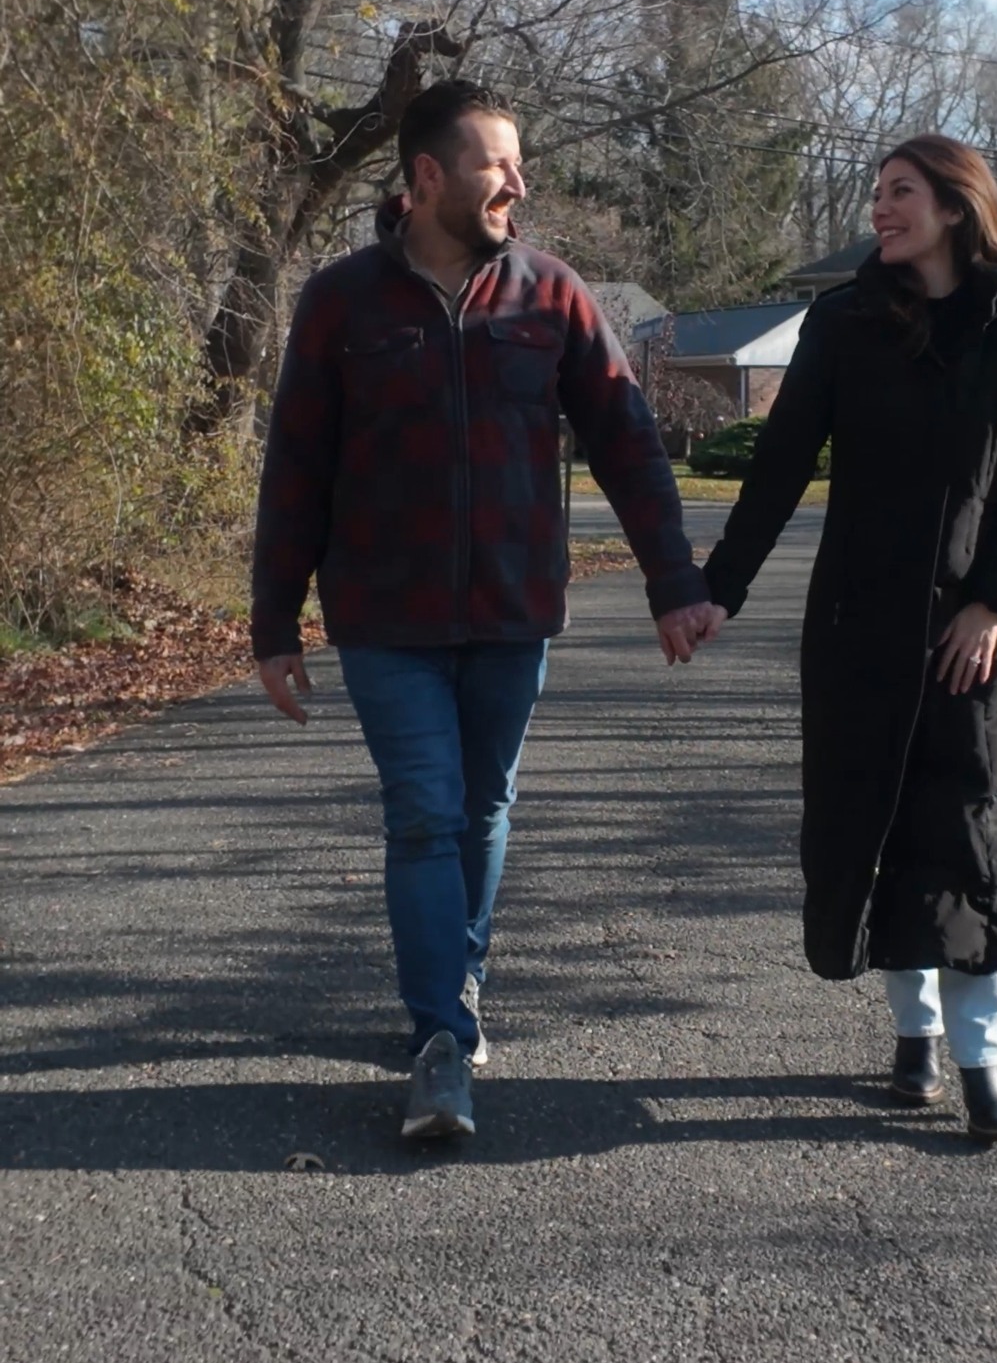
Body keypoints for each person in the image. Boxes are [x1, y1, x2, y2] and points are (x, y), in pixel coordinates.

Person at [251, 78, 716, 1141]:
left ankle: (454, 986)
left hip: (512, 610)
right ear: (426, 178)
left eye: (519, 163)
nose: (519, 182)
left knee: (485, 805)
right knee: (424, 810)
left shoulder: (550, 295)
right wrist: (274, 624)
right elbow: (296, 469)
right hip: (383, 614)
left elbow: (628, 442)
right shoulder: (341, 302)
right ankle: (441, 1041)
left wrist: (673, 582)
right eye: (496, 163)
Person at [699, 136, 997, 1140]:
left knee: (972, 830)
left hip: (974, 634)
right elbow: (779, 466)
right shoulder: (845, 320)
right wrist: (716, 592)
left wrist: (992, 602)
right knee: (877, 824)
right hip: (858, 625)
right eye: (875, 193)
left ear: (955, 206)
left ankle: (982, 1060)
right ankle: (912, 1035)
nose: (879, 208)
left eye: (899, 192)